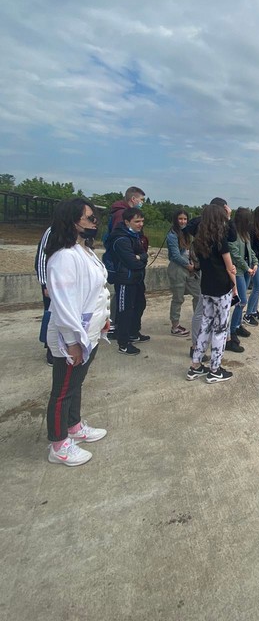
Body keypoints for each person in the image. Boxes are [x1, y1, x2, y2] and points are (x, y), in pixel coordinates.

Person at [45, 198, 110, 466]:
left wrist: (104, 318)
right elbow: (64, 305)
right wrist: (72, 342)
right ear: (73, 222)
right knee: (62, 391)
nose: (95, 223)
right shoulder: (64, 257)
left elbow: (94, 291)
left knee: (75, 384)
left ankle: (73, 426)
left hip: (89, 332)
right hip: (71, 338)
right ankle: (58, 445)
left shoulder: (84, 251)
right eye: (89, 218)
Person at [187, 203, 237, 383]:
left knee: (205, 326)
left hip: (206, 287)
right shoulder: (220, 240)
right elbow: (229, 267)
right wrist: (234, 286)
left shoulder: (198, 241)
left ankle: (195, 365)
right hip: (221, 288)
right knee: (220, 329)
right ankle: (215, 369)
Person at [105, 207, 148, 355]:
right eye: (137, 221)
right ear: (127, 222)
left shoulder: (134, 236)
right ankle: (123, 343)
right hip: (125, 280)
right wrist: (140, 259)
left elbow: (143, 255)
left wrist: (140, 257)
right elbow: (132, 262)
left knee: (140, 305)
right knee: (125, 311)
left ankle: (133, 333)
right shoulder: (121, 239)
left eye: (142, 221)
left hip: (136, 279)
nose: (140, 224)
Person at [167, 208, 201, 337]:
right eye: (180, 219)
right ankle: (175, 326)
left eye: (185, 219)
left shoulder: (188, 233)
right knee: (178, 298)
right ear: (175, 220)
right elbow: (175, 255)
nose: (183, 221)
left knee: (198, 294)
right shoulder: (172, 235)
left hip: (190, 268)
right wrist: (189, 266)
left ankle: (198, 320)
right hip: (178, 269)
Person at [229, 208, 258, 341]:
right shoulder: (233, 234)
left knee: (241, 301)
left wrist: (255, 263)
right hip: (239, 271)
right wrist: (247, 268)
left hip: (246, 270)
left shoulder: (245, 234)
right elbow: (235, 254)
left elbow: (250, 250)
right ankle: (232, 329)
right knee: (241, 301)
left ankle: (238, 324)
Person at [35, 222, 54, 365]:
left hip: (68, 283)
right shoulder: (52, 231)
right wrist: (45, 284)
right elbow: (42, 259)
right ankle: (51, 349)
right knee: (51, 314)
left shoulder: (75, 232)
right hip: (51, 283)